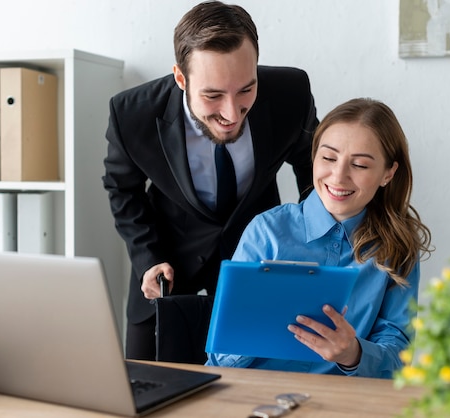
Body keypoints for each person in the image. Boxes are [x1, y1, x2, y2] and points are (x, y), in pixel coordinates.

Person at [102, 0, 318, 360]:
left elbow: (312, 171)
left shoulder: (291, 94)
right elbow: (122, 189)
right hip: (167, 270)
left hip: (258, 266)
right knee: (147, 392)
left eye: (246, 90)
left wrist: (311, 247)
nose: (232, 113)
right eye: (213, 95)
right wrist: (148, 256)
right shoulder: (132, 113)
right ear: (181, 78)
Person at [206, 98, 433, 378]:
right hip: (257, 395)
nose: (338, 176)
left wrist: (353, 354)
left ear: (388, 173)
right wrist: (259, 324)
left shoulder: (397, 246)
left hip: (344, 403)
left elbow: (399, 357)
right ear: (314, 157)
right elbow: (218, 359)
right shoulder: (266, 231)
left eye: (360, 165)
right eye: (328, 158)